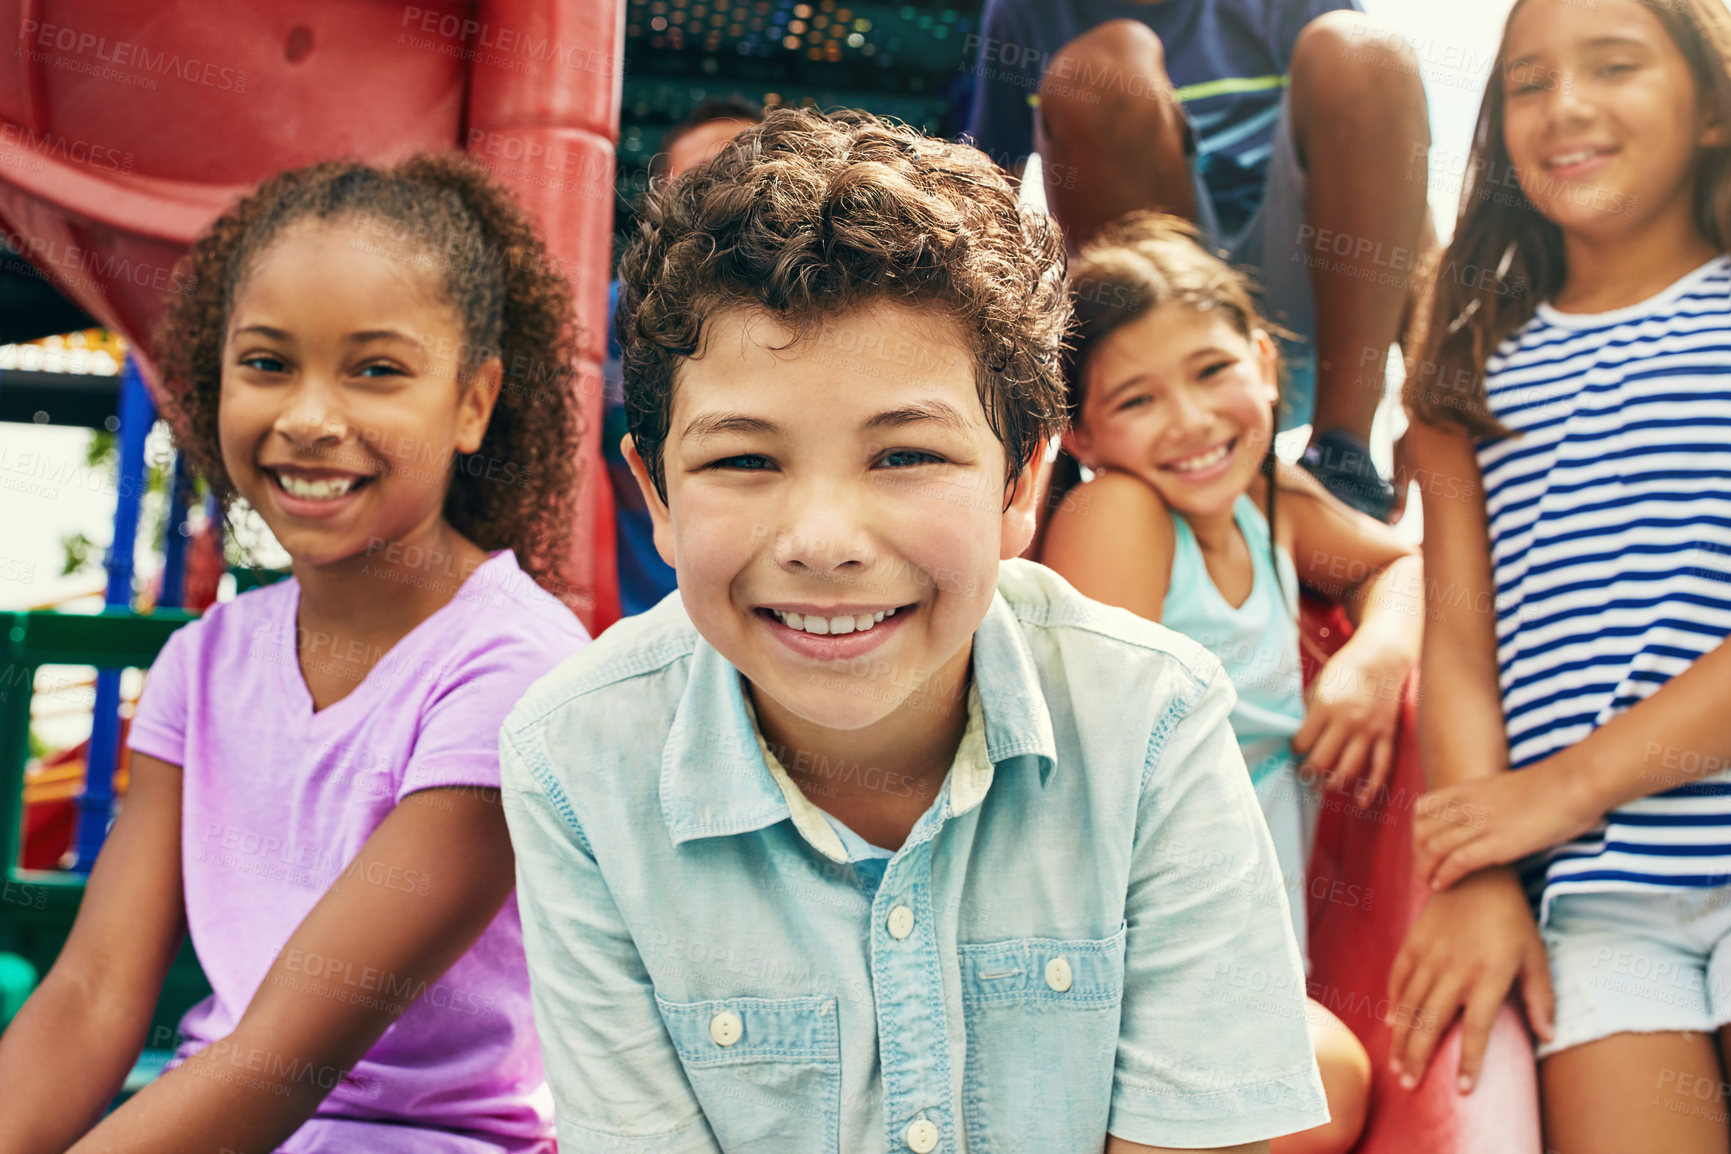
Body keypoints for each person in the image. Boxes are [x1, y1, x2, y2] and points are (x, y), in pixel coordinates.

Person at [502, 107, 1329, 1153]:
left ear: (1023, 484)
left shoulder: (1153, 721)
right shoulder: (575, 759)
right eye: (744, 461)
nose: (823, 540)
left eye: (905, 457)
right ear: (656, 495)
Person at [0, 154, 591, 1153]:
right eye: (268, 363)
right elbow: (94, 988)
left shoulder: (514, 670)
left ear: (474, 402)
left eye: (376, 369)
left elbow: (286, 1050)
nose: (310, 418)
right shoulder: (208, 659)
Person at [1383, 2, 1731, 1150]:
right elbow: (1457, 645)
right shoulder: (1467, 370)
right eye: (1527, 83)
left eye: (1615, 66)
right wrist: (1481, 870)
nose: (1565, 106)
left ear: (1715, 107)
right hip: (1596, 897)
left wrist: (1566, 787)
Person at [1038, 211, 1423, 1154]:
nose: (1194, 421)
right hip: (1134, 959)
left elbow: (1405, 566)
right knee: (1325, 1076)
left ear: (1260, 357)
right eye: (1137, 399)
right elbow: (1093, 786)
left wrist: (1372, 660)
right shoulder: (1118, 513)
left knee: (1329, 1075)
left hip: (1238, 959)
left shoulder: (1268, 504)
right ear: (1082, 434)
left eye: (1212, 372)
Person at [965, 0, 1433, 521]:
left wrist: (1432, 392)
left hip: (1311, 313)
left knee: (1362, 50)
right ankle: (1162, 446)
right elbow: (990, 212)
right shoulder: (1023, 14)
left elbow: (1391, 191)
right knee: (1104, 66)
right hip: (1154, 316)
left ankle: (1343, 459)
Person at [606, 98, 766, 616]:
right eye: (699, 181)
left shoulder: (834, 318)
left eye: (745, 171)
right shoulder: (605, 318)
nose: (724, 195)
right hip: (634, 609)